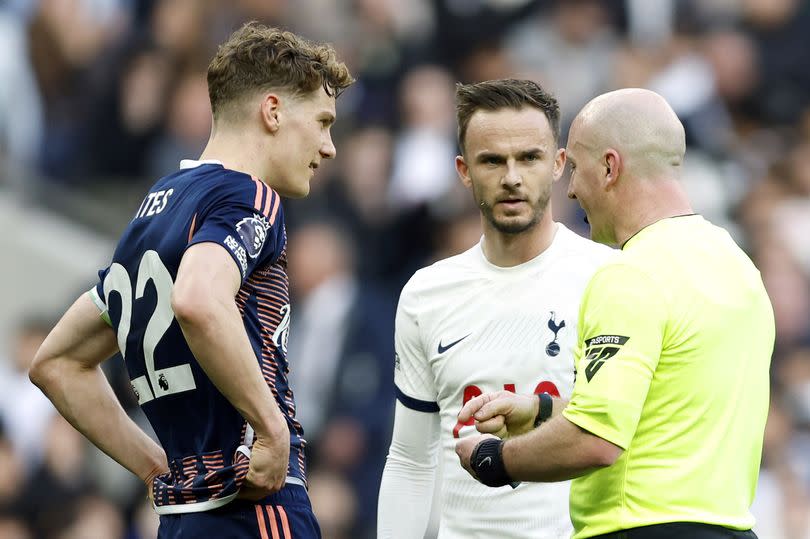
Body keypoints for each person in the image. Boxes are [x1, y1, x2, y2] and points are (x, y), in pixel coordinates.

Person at [29, 22, 354, 539]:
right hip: (255, 507)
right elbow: (200, 300)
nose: (329, 145)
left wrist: (155, 470)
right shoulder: (249, 196)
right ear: (273, 111)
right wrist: (272, 432)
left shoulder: (153, 213)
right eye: (322, 121)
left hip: (182, 520)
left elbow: (57, 362)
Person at [455, 88, 775, 539]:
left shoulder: (631, 275)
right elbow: (658, 406)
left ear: (609, 168)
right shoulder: (739, 266)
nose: (571, 189)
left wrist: (494, 460)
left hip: (639, 528)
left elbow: (596, 441)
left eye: (579, 170)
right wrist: (541, 410)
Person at [377, 79, 614, 538]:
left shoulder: (608, 277)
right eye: (492, 160)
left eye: (529, 157)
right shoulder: (427, 294)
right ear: (464, 170)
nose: (512, 177)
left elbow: (621, 431)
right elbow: (410, 457)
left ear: (559, 164)